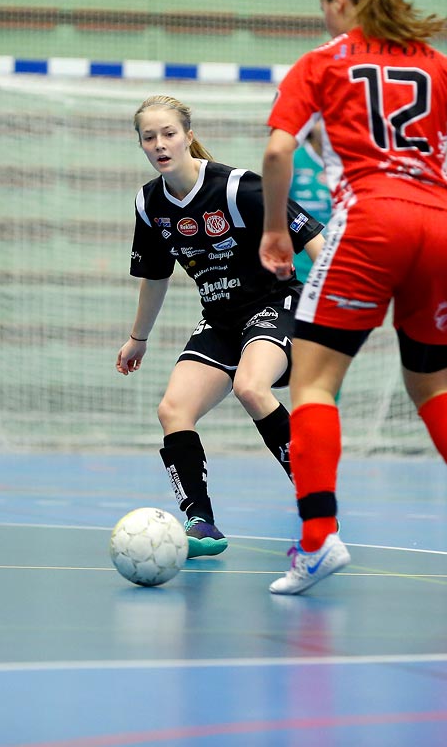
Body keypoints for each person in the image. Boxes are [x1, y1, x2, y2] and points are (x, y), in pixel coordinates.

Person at [257, 0, 447, 596]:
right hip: (446, 224)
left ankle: (317, 539)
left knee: (314, 383)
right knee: (437, 387)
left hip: (372, 219)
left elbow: (278, 149)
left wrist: (276, 229)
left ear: (335, 1)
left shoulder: (322, 62)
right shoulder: (440, 67)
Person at [117, 95, 326, 558]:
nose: (160, 144)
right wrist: (138, 338)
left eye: (169, 133)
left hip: (276, 305)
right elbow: (155, 277)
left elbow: (314, 238)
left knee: (253, 388)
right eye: (149, 137)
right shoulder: (150, 203)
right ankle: (201, 523)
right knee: (173, 410)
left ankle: (315, 497)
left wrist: (332, 306)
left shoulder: (236, 188)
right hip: (221, 318)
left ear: (188, 136)